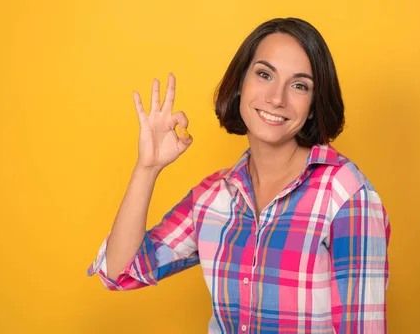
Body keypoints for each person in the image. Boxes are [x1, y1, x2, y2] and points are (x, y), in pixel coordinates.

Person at [87, 17, 391, 333]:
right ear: (240, 84)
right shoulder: (213, 197)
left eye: (299, 85)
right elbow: (121, 272)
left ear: (314, 105)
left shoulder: (346, 195)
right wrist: (147, 169)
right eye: (264, 75)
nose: (277, 98)